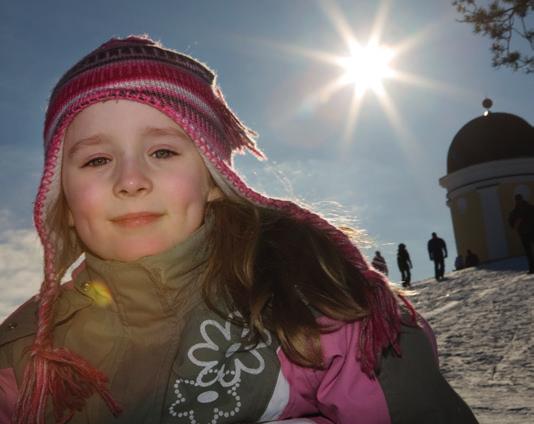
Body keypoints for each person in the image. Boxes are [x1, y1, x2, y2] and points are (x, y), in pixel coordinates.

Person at [0, 36, 478, 424]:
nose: (130, 180)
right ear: (60, 204)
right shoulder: (25, 353)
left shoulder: (311, 305)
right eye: (97, 159)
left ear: (214, 180)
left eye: (163, 152)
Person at [508, 194, 534, 274]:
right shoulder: (517, 211)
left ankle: (532, 269)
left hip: (528, 232)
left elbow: (511, 222)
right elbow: (511, 222)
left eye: (518, 199)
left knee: (528, 252)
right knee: (528, 253)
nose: (518, 201)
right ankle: (532, 269)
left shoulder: (527, 208)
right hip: (526, 233)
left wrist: (516, 224)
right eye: (517, 200)